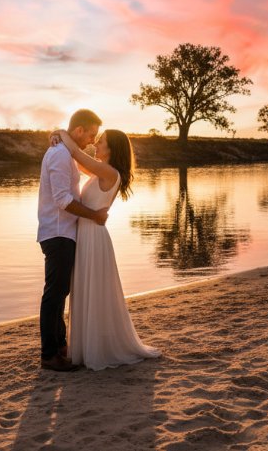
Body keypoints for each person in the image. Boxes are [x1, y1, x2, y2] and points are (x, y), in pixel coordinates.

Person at [51, 127, 161, 370]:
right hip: (87, 234)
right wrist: (59, 140)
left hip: (93, 237)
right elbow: (75, 160)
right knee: (87, 289)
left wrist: (60, 131)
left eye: (101, 142)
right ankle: (87, 346)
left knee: (94, 290)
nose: (96, 145)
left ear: (112, 149)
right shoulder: (101, 171)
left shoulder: (109, 171)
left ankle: (96, 350)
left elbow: (78, 155)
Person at [37, 109, 108, 372]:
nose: (91, 141)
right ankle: (49, 354)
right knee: (54, 294)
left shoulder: (65, 152)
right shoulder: (58, 154)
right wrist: (95, 215)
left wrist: (58, 134)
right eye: (90, 134)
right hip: (56, 232)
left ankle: (60, 346)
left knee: (60, 292)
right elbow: (62, 200)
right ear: (78, 130)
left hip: (65, 232)